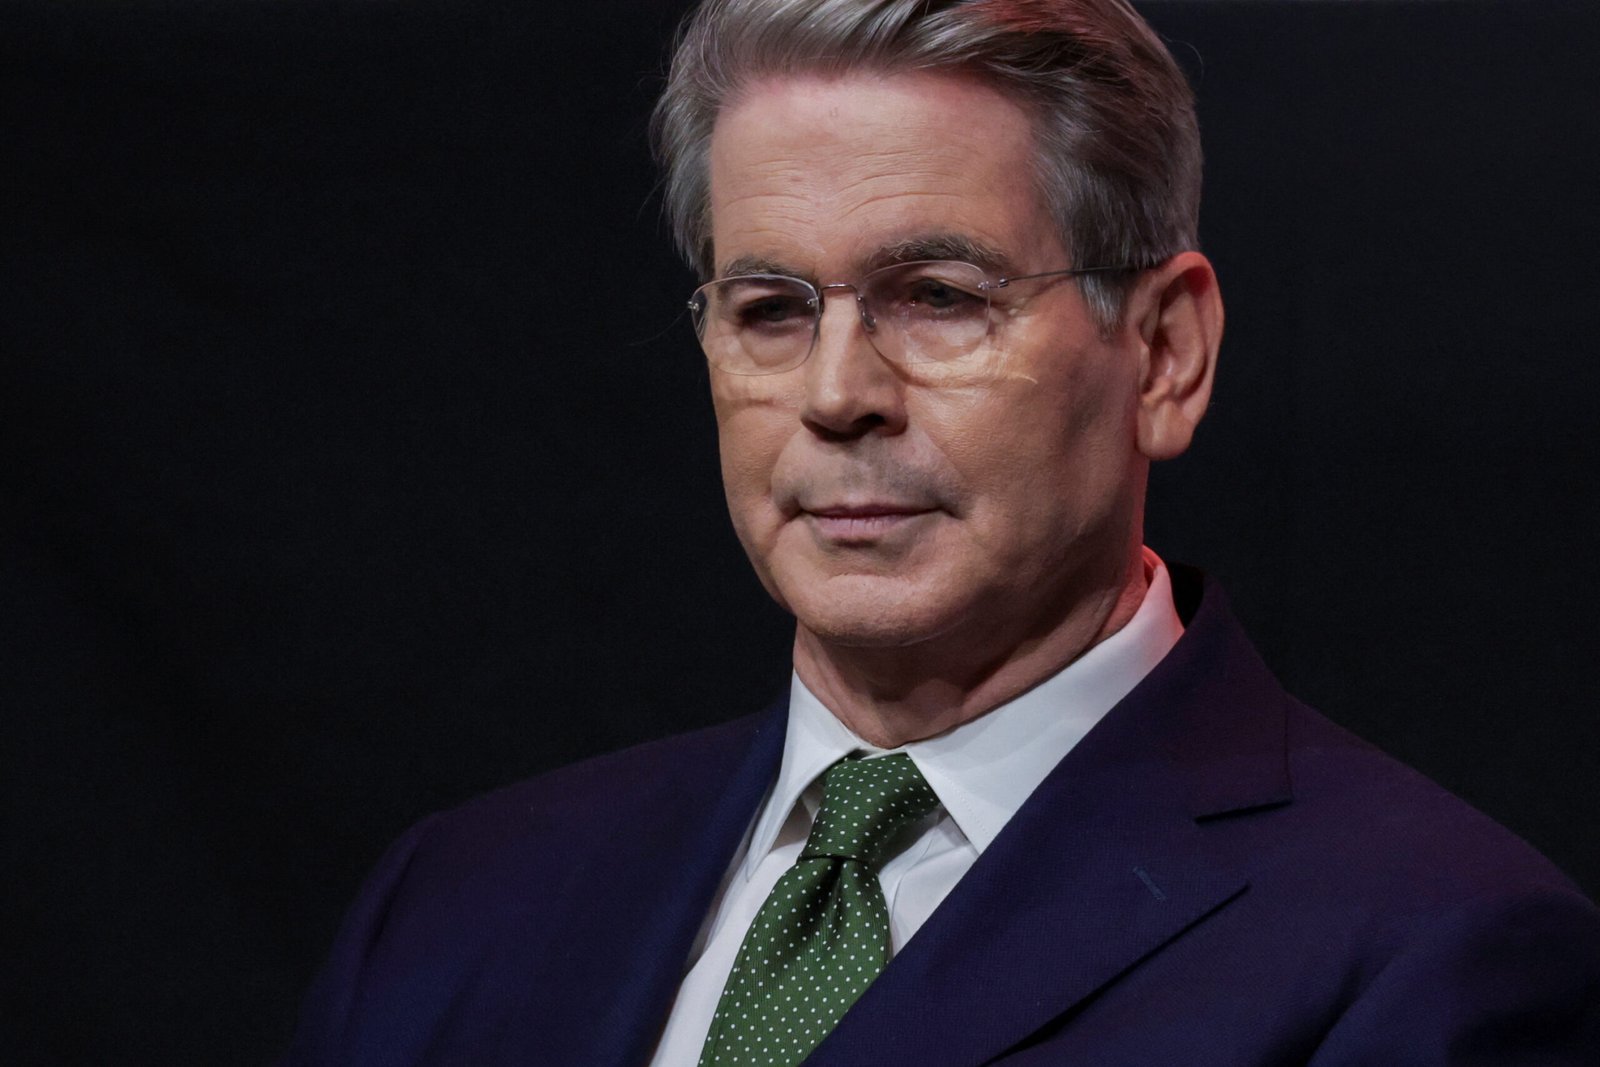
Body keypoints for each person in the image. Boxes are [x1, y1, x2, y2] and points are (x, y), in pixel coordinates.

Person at [282, 1, 1600, 1063]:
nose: (838, 394)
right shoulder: (457, 900)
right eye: (771, 309)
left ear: (1164, 354)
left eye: (937, 296)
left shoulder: (1433, 954)